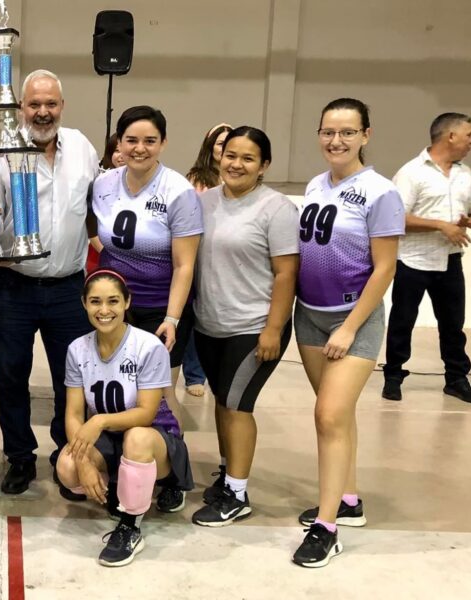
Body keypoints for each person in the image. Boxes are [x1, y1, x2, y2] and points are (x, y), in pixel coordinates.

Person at [292, 98, 404, 568]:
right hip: (309, 316)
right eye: (327, 132)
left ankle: (327, 526)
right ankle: (349, 499)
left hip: (349, 320)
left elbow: (384, 269)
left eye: (346, 132)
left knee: (328, 416)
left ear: (366, 135)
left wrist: (351, 327)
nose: (335, 140)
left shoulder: (380, 192)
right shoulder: (317, 184)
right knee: (338, 417)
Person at [0, 69, 99, 497]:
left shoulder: (83, 148)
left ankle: (65, 454)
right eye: (34, 104)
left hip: (70, 288)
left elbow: (94, 205)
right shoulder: (1, 151)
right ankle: (19, 456)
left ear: (62, 106)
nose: (43, 112)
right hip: (12, 287)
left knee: (69, 379)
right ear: (21, 108)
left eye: (50, 103)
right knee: (10, 376)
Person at [88, 105, 203, 506]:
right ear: (118, 143)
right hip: (114, 305)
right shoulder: (103, 184)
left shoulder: (178, 190)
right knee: (119, 387)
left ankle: (173, 473)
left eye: (149, 141)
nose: (140, 148)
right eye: (131, 140)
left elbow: (185, 263)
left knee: (162, 396)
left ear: (163, 143)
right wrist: (106, 255)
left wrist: (172, 317)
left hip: (159, 307)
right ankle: (130, 458)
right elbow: (90, 224)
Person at [187, 126, 299, 527]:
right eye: (231, 154)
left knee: (237, 406)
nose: (236, 164)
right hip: (210, 325)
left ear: (264, 165)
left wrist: (273, 329)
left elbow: (286, 274)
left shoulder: (277, 209)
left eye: (248, 158)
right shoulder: (205, 203)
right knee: (222, 401)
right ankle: (227, 472)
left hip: (253, 327)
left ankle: (237, 493)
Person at [56, 269, 193, 567]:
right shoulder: (77, 349)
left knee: (137, 437)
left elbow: (145, 413)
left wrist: (100, 421)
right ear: (84, 304)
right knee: (66, 466)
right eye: (95, 302)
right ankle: (125, 489)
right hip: (112, 440)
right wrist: (83, 463)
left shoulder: (148, 346)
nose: (104, 310)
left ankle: (131, 525)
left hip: (155, 436)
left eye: (113, 301)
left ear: (127, 302)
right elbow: (74, 413)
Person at [383, 112, 471, 403]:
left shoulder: (466, 174)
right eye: (469, 134)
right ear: (450, 136)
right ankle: (394, 377)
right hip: (413, 261)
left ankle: (456, 379)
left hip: (449, 260)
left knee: (453, 324)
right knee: (403, 322)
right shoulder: (412, 172)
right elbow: (395, 218)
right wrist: (441, 225)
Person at [181, 122, 233, 397]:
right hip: (200, 254)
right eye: (219, 143)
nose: (223, 148)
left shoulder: (240, 178)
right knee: (195, 316)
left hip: (229, 260)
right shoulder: (197, 178)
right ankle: (194, 373)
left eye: (229, 143)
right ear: (209, 147)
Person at [87, 133, 125, 273]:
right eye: (116, 151)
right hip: (100, 254)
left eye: (123, 150)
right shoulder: (100, 183)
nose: (120, 156)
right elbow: (90, 227)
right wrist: (106, 254)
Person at [186, 123, 232, 193]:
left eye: (229, 144)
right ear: (210, 146)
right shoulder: (198, 178)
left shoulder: (239, 176)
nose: (225, 148)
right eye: (220, 144)